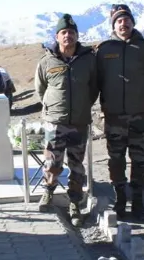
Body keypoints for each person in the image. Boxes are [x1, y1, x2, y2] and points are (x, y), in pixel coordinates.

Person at [34, 14, 98, 226]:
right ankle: (48, 192)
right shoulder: (46, 61)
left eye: (71, 32)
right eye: (64, 33)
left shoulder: (89, 59)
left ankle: (74, 203)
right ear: (57, 36)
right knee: (52, 162)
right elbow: (40, 90)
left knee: (77, 165)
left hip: (79, 121)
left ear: (77, 35)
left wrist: (81, 106)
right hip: (55, 122)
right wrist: (53, 107)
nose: (67, 36)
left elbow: (94, 88)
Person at [96, 4, 144, 220]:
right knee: (116, 160)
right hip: (114, 117)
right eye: (119, 20)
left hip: (140, 115)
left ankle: (139, 202)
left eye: (127, 19)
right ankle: (120, 201)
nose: (124, 23)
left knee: (140, 160)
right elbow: (97, 81)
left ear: (133, 22)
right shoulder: (104, 50)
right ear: (114, 24)